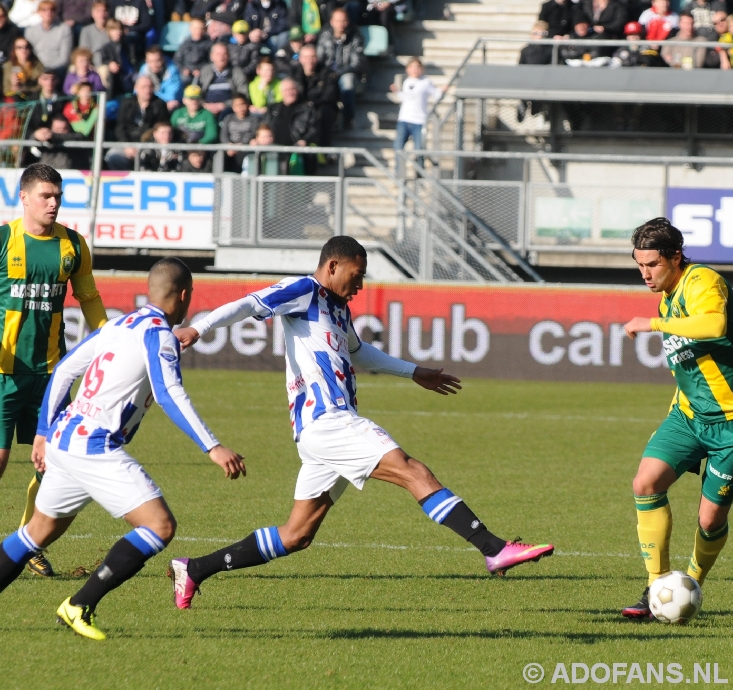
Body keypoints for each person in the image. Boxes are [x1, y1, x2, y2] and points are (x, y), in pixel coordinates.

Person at [168, 236, 555, 610]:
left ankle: (194, 568)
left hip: (323, 432)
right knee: (411, 470)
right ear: (333, 266)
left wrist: (414, 371)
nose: (360, 285)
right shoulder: (304, 290)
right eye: (357, 274)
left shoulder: (337, 309)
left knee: (297, 535)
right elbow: (248, 305)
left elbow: (359, 353)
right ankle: (493, 548)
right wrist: (197, 329)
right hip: (328, 421)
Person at [0, 258, 245, 640]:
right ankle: (79, 605)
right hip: (94, 446)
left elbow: (64, 370)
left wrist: (45, 431)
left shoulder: (118, 324)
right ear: (184, 297)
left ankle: (77, 605)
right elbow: (168, 394)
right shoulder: (159, 335)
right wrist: (212, 447)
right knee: (159, 526)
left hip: (65, 438)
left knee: (36, 533)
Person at [620, 218, 733, 619]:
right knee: (645, 482)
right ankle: (656, 588)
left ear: (676, 257)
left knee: (710, 517)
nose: (645, 274)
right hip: (688, 415)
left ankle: (691, 584)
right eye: (639, 265)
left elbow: (714, 324)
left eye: (652, 264)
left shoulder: (704, 281)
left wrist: (651, 324)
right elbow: (689, 367)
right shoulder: (667, 298)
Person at [0, 164, 107, 578]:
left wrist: (110, 339)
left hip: (52, 375)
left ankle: (29, 544)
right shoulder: (5, 240)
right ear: (24, 197)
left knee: (51, 462)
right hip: (5, 374)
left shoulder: (73, 245)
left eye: (58, 196)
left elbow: (90, 298)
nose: (53, 203)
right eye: (45, 195)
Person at [390, 57, 439, 178]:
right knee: (398, 147)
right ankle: (399, 173)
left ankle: (419, 174)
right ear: (407, 69)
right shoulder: (407, 82)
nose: (415, 70)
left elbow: (436, 94)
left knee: (419, 149)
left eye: (418, 67)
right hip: (404, 119)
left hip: (419, 120)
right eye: (412, 67)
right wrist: (397, 92)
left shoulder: (426, 82)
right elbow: (405, 98)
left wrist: (442, 90)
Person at [108, 75, 169, 169]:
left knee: (146, 158)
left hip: (149, 144)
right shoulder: (126, 103)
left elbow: (159, 128)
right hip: (127, 142)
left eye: (150, 87)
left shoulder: (159, 104)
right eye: (144, 87)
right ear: (136, 88)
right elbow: (120, 127)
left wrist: (142, 146)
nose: (147, 90)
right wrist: (127, 146)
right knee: (112, 156)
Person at [316, 8, 363, 128]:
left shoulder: (355, 38)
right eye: (337, 21)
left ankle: (348, 117)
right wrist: (327, 74)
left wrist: (338, 73)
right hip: (327, 73)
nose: (340, 24)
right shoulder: (324, 37)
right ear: (331, 22)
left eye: (343, 20)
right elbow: (319, 58)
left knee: (348, 83)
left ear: (348, 22)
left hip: (345, 73)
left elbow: (356, 64)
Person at [263, 77, 317, 172]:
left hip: (296, 151)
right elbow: (264, 126)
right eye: (287, 90)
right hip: (274, 150)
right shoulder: (273, 108)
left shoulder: (307, 109)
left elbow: (314, 129)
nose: (290, 92)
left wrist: (304, 140)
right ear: (281, 92)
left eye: (293, 89)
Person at [291, 44, 338, 146]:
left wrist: (312, 103)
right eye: (307, 57)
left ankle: (323, 149)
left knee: (324, 112)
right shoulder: (294, 74)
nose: (310, 60)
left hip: (319, 107)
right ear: (300, 59)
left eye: (313, 57)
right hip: (300, 108)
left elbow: (330, 95)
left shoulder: (326, 73)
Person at [198, 42, 248, 117]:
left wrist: (225, 105)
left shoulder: (237, 72)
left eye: (224, 54)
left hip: (229, 110)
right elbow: (195, 92)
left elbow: (243, 94)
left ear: (228, 56)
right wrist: (205, 105)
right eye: (218, 54)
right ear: (212, 57)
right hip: (206, 109)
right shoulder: (204, 71)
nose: (221, 57)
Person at [24, 1, 72, 74]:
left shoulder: (64, 29)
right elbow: (30, 54)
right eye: (44, 10)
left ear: (55, 12)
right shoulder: (30, 31)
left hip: (58, 69)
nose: (48, 12)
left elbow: (64, 58)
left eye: (52, 10)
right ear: (38, 12)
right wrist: (40, 68)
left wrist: (49, 69)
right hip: (37, 69)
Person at [219, 92, 260, 171]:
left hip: (245, 149)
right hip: (230, 149)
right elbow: (223, 135)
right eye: (237, 105)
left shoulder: (253, 119)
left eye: (243, 104)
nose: (241, 108)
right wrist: (229, 145)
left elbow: (253, 134)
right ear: (233, 107)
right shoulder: (228, 118)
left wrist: (241, 145)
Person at [138, 45, 183, 110]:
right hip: (151, 102)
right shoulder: (143, 70)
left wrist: (150, 97)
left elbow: (172, 95)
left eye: (157, 60)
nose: (154, 64)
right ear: (146, 61)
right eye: (150, 61)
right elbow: (138, 91)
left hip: (167, 104)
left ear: (163, 59)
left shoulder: (172, 71)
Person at [97, 17, 133, 96]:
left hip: (129, 74)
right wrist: (110, 63)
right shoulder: (106, 47)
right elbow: (104, 60)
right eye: (114, 30)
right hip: (116, 76)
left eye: (120, 29)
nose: (118, 32)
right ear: (109, 32)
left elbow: (133, 60)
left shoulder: (129, 45)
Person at [108, 0, 151, 65]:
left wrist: (129, 29)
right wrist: (119, 30)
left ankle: (132, 63)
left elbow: (146, 23)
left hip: (134, 33)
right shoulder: (113, 2)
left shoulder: (140, 2)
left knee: (130, 38)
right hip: (116, 31)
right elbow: (109, 21)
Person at [173, 17, 212, 84]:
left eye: (201, 29)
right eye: (196, 29)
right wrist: (183, 69)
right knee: (183, 79)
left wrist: (202, 70)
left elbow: (211, 60)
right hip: (187, 70)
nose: (198, 31)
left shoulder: (208, 44)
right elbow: (177, 59)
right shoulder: (185, 43)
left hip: (202, 71)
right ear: (190, 29)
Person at [78, 0, 110, 66]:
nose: (102, 14)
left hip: (107, 65)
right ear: (93, 14)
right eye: (98, 11)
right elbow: (84, 52)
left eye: (104, 11)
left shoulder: (112, 30)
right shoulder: (86, 31)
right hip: (90, 65)